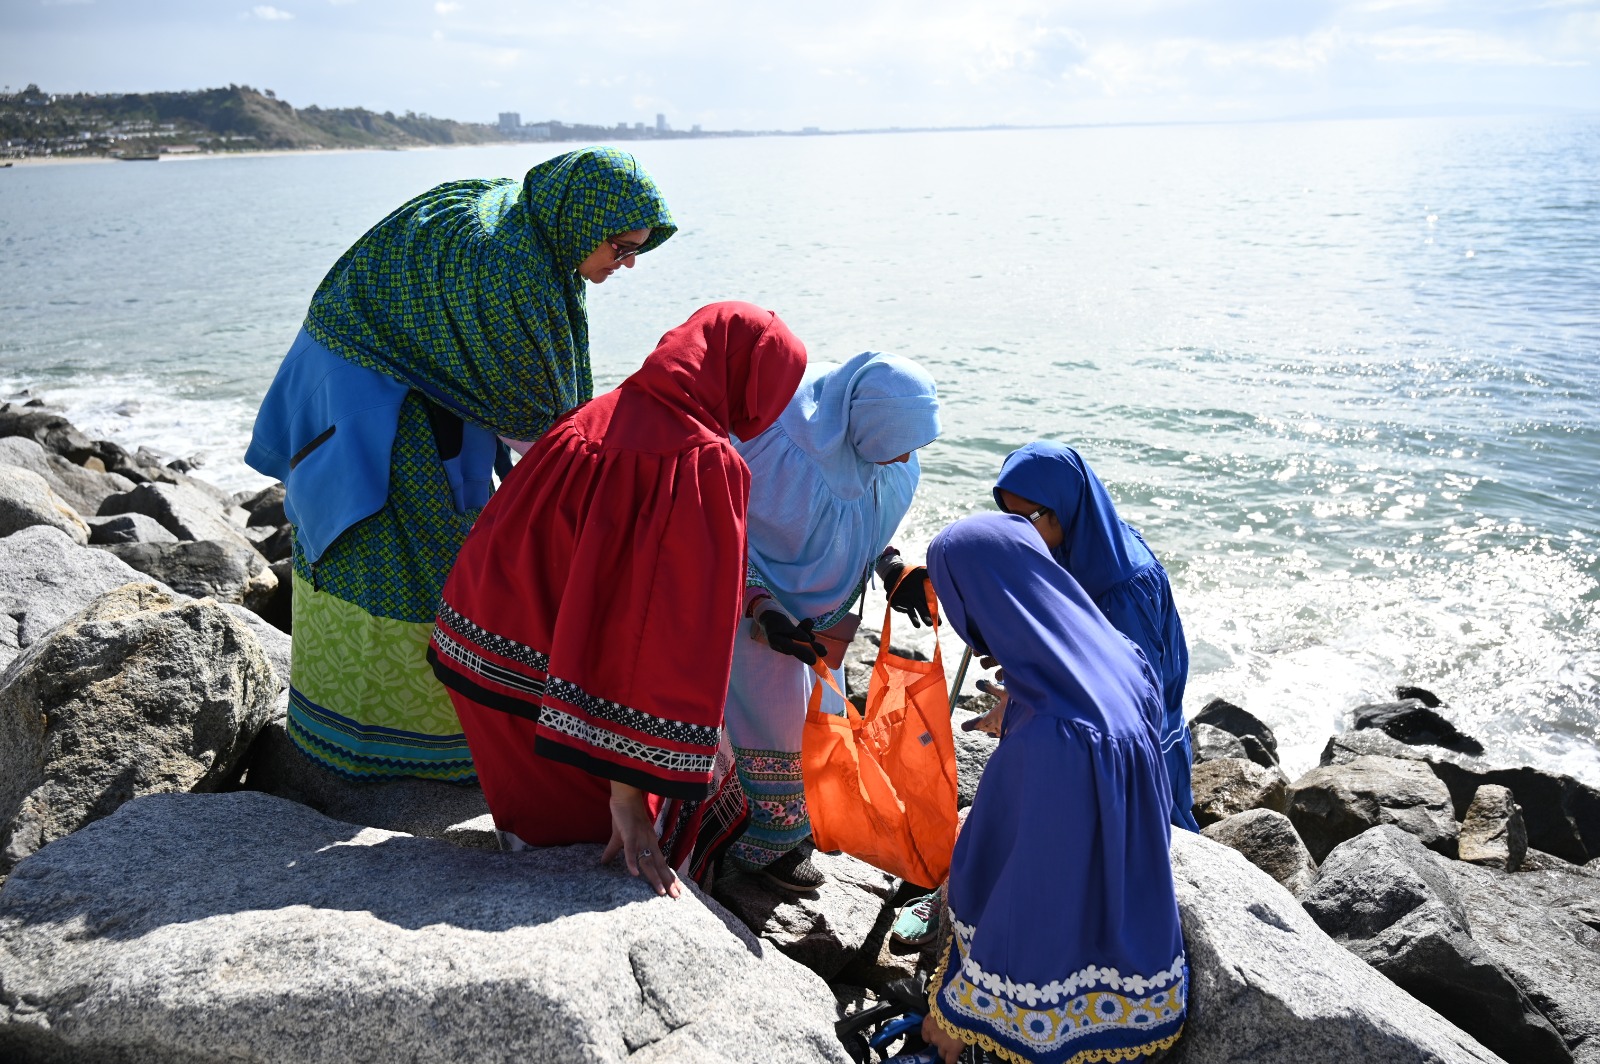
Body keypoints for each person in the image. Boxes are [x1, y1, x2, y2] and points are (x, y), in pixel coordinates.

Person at [245, 148, 674, 782]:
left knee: (451, 529)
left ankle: (396, 729)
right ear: (582, 222)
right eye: (621, 247)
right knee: (403, 545)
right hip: (371, 388)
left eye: (639, 249)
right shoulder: (511, 266)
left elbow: (540, 402)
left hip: (406, 370)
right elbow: (542, 427)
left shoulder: (536, 225)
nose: (628, 263)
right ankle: (397, 747)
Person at [427, 302, 808, 897]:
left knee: (530, 821)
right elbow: (657, 631)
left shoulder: (589, 417)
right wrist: (626, 794)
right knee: (599, 858)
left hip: (480, 650)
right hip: (567, 692)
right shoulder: (705, 463)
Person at [919, 512, 1187, 1064]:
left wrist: (956, 1013)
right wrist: (1016, 707)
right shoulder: (1123, 658)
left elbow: (1030, 893)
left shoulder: (1053, 738)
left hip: (1072, 961)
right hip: (1144, 939)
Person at [716, 351, 941, 891]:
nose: (906, 457)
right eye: (899, 442)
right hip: (750, 613)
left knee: (816, 720)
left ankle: (793, 822)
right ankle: (758, 844)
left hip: (821, 624)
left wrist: (891, 566)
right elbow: (722, 531)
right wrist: (760, 607)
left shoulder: (889, 459)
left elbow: (855, 527)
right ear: (867, 422)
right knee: (763, 723)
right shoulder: (770, 448)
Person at [993, 441, 1199, 832]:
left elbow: (1135, 700)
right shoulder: (1086, 541)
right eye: (1008, 519)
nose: (1016, 533)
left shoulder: (1120, 590)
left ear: (1064, 507)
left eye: (1026, 520)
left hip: (1142, 749)